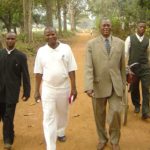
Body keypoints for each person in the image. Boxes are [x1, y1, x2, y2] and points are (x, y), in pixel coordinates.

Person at [84, 18, 125, 150]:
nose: (106, 27)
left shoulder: (120, 43)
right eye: (103, 25)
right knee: (99, 115)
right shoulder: (91, 44)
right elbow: (88, 67)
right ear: (100, 27)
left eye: (108, 25)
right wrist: (88, 86)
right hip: (98, 85)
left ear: (111, 27)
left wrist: (123, 84)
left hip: (115, 85)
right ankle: (102, 138)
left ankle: (114, 140)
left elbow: (122, 66)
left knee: (115, 113)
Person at [34, 26, 77, 150]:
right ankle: (51, 146)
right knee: (48, 116)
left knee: (63, 113)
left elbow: (71, 69)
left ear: (56, 34)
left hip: (64, 87)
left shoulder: (66, 48)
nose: (50, 36)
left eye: (52, 34)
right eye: (47, 35)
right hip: (48, 88)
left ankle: (60, 131)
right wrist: (37, 90)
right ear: (44, 37)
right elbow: (38, 72)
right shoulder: (41, 51)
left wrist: (74, 88)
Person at [0, 32, 31, 150]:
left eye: (12, 39)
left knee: (8, 116)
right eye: (8, 38)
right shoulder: (0, 54)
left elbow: (25, 75)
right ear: (5, 39)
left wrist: (26, 92)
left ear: (15, 40)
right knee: (3, 116)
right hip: (0, 92)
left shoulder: (21, 56)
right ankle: (10, 132)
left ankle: (8, 141)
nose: (10, 41)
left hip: (12, 92)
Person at [125, 21, 150, 119]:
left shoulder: (148, 40)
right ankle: (136, 105)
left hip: (145, 68)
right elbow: (125, 53)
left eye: (144, 27)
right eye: (140, 27)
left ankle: (146, 111)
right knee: (134, 88)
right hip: (133, 68)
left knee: (146, 89)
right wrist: (125, 66)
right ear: (137, 27)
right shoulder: (130, 39)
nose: (142, 29)